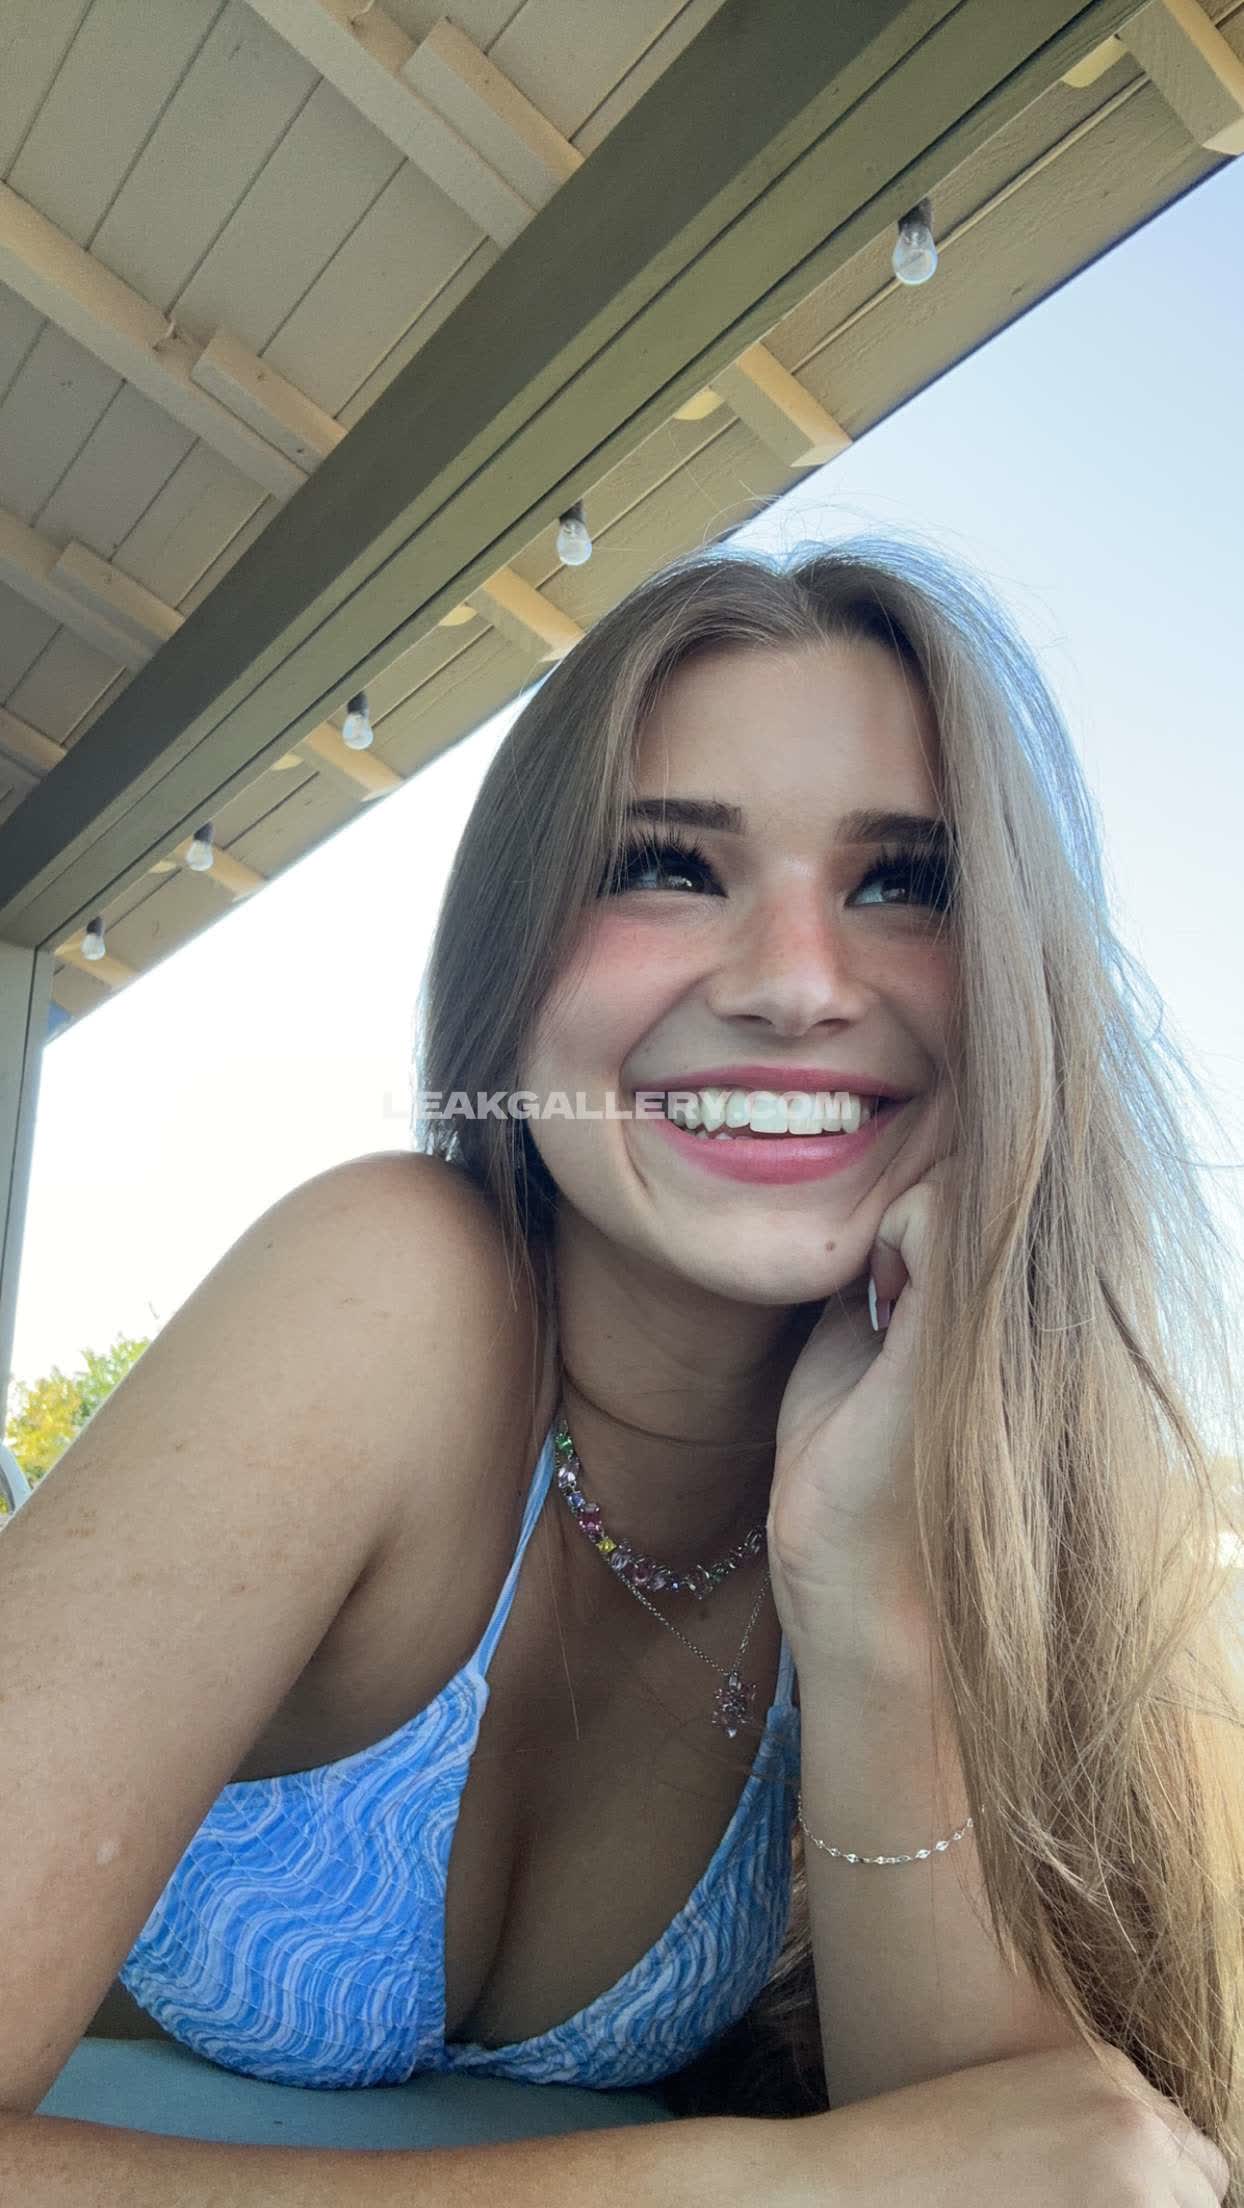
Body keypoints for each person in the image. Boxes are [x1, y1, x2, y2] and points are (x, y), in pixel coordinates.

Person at [0, 538, 1239, 2206]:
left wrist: (867, 1595)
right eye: (665, 866)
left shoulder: (938, 1481)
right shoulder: (388, 1291)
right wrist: (740, 2192)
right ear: (513, 965)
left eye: (905, 885)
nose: (794, 985)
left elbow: (996, 2167)